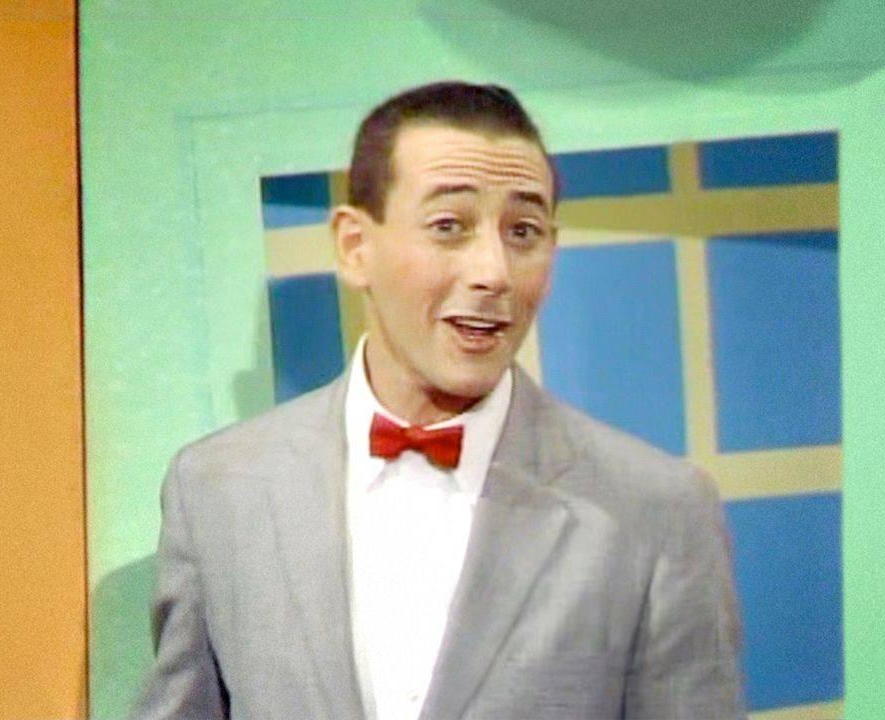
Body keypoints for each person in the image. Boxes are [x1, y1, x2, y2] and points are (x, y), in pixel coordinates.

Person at [132, 81, 743, 720]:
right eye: (449, 226)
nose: (493, 273)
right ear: (354, 247)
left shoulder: (657, 511)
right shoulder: (218, 489)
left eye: (524, 231)